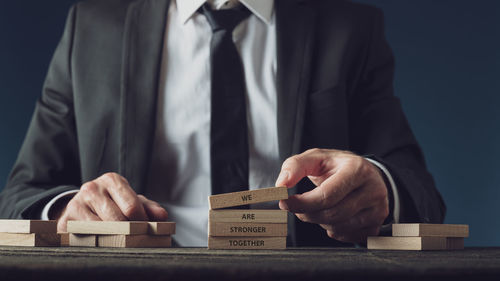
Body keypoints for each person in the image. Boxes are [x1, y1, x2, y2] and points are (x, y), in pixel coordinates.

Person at [0, 0, 445, 247]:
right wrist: (66, 210)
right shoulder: (94, 25)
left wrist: (379, 188)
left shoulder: (348, 24)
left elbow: (416, 188)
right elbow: (20, 195)